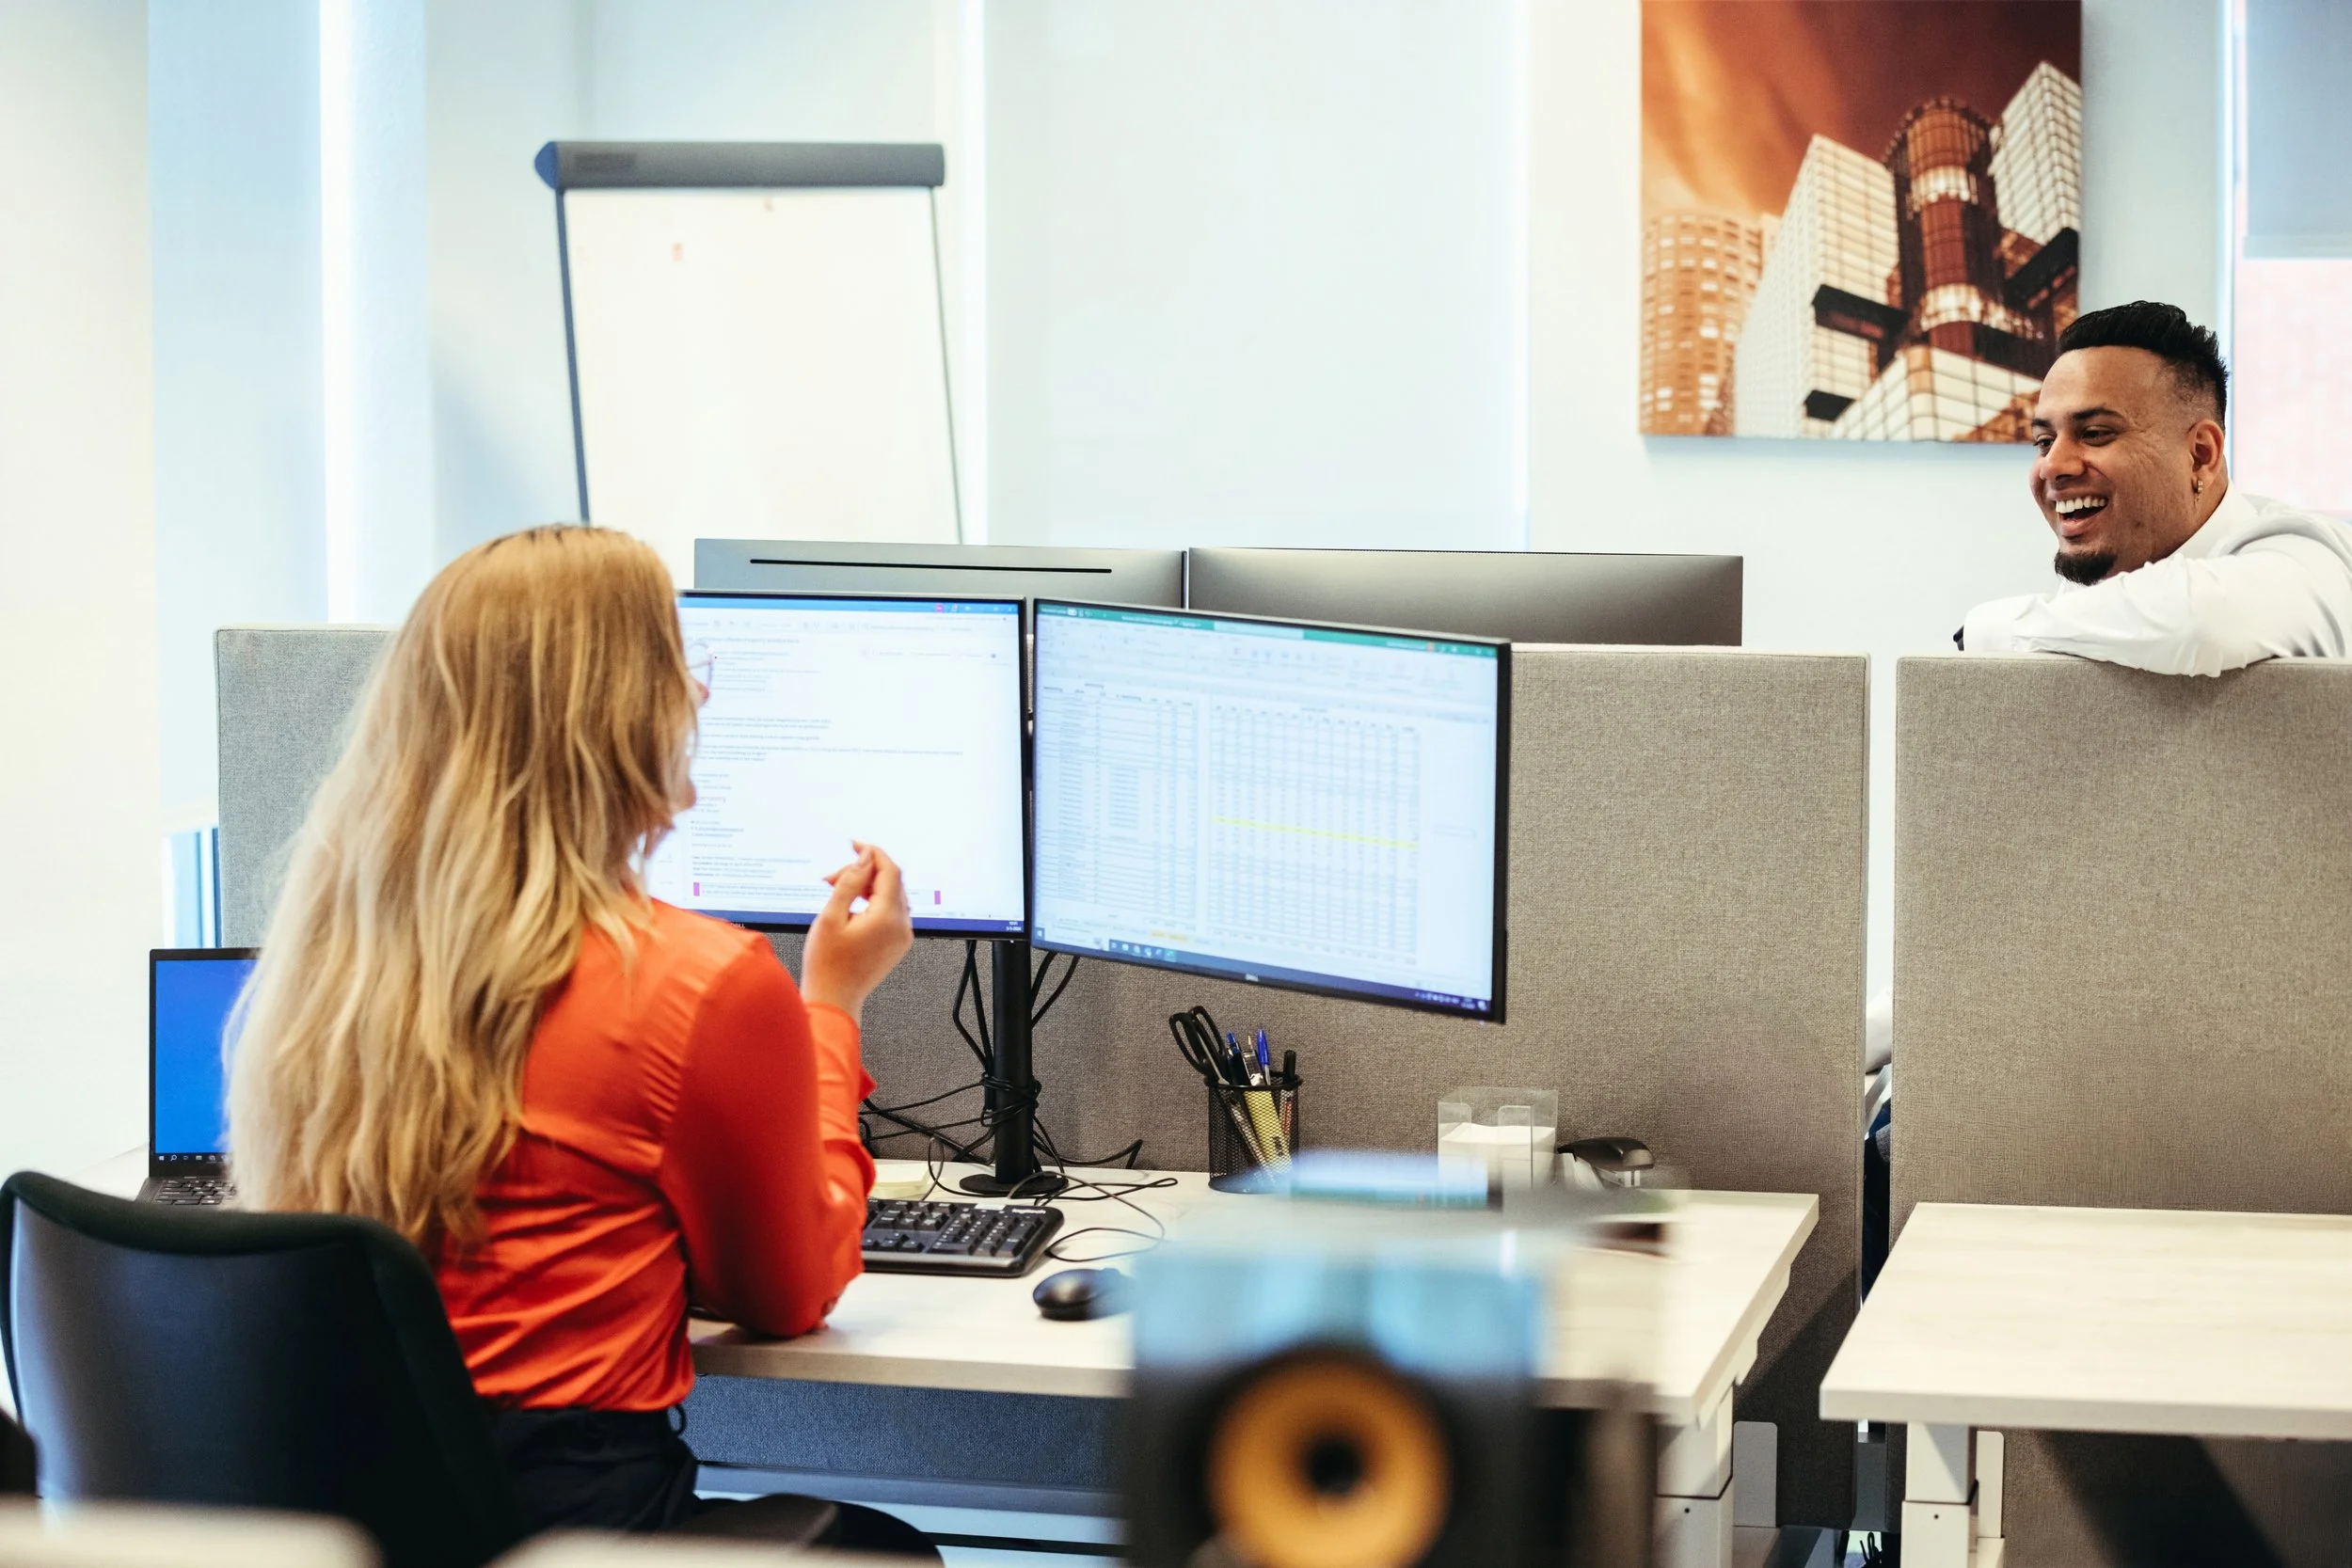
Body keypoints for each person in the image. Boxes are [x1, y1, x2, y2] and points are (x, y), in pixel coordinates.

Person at [226, 526, 922, 1547]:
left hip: (338, 1525)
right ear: (622, 717)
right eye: (677, 666)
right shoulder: (694, 979)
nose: (700, 695)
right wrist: (832, 1004)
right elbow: (789, 1292)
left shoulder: (327, 962)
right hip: (566, 1524)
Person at [1961, 299, 2352, 674]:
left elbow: (2203, 626)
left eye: (2095, 433)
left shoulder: (2312, 558)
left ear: (2200, 454)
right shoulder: (2092, 596)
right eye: (2044, 442)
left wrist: (2000, 629)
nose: (2052, 467)